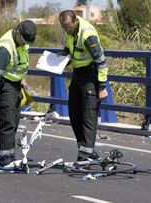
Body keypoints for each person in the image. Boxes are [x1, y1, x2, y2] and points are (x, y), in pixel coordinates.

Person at [0, 20, 37, 169]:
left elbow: (19, 63)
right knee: (7, 123)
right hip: (5, 85)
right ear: (18, 32)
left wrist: (21, 79)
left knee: (14, 122)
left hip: (15, 86)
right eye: (25, 40)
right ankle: (3, 160)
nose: (27, 43)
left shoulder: (23, 42)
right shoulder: (5, 48)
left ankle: (9, 156)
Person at [59, 10, 108, 161]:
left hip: (91, 75)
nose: (66, 29)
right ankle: (87, 151)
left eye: (68, 26)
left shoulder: (87, 34)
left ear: (74, 22)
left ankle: (85, 157)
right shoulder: (69, 32)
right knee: (74, 114)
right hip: (77, 74)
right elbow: (68, 53)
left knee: (88, 115)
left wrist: (102, 87)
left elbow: (101, 61)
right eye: (63, 27)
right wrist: (56, 62)